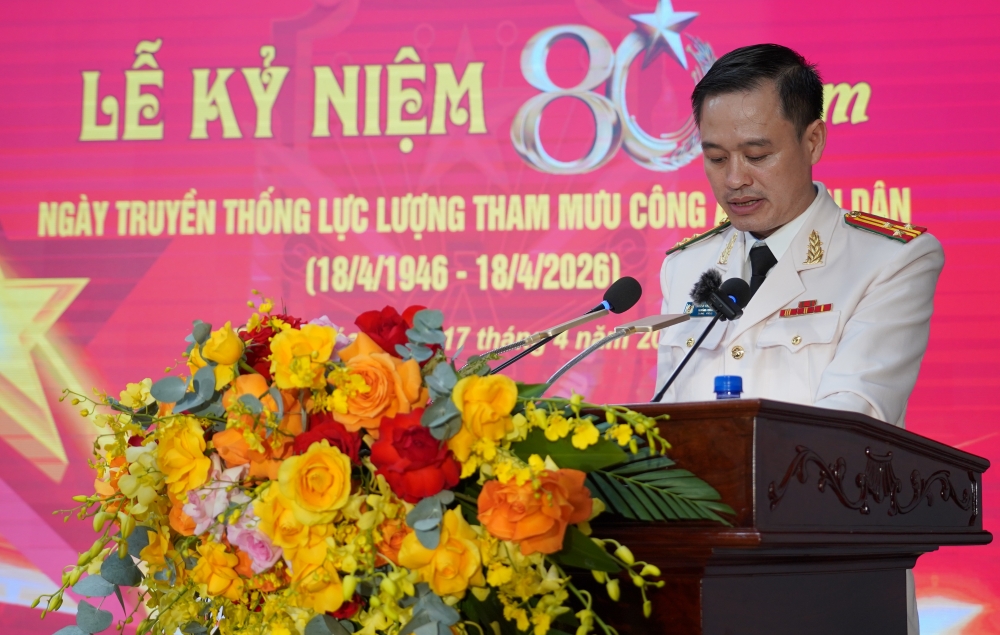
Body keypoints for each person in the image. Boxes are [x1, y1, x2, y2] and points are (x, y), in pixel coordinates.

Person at [654, 43, 942, 635]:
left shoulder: (888, 260)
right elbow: (670, 423)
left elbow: (853, 425)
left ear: (813, 141)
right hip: (702, 578)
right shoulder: (685, 267)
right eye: (715, 157)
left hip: (831, 576)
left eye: (757, 154)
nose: (735, 179)